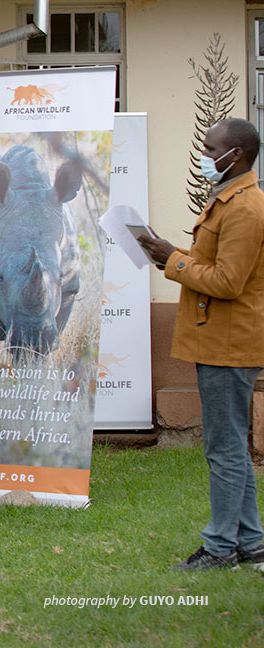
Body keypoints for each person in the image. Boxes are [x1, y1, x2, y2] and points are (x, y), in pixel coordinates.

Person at [139, 117, 264, 571]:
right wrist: (171, 251)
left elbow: (228, 282)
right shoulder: (229, 200)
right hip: (219, 339)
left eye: (211, 150)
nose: (205, 157)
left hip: (229, 343)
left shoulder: (246, 208)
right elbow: (214, 264)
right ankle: (250, 544)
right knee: (229, 444)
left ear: (238, 155)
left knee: (224, 448)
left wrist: (171, 260)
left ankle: (220, 548)